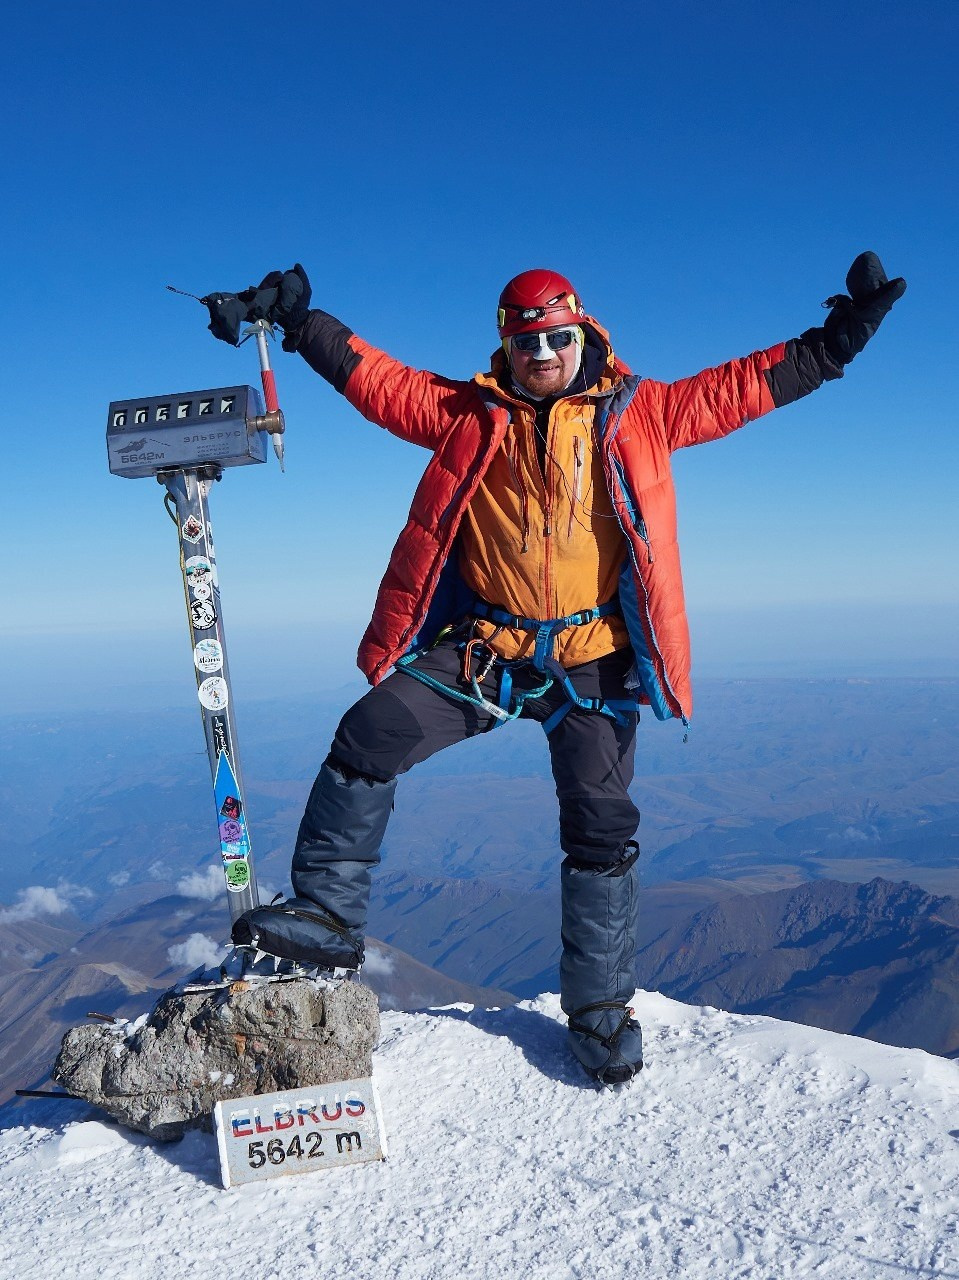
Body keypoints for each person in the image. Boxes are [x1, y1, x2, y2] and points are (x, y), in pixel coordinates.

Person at [204, 254, 905, 1085]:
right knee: (370, 734)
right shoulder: (466, 414)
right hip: (489, 648)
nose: (542, 354)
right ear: (505, 346)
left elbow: (741, 389)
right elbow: (377, 382)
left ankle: (600, 1011)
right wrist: (299, 323)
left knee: (600, 827)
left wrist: (834, 343)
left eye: (556, 338)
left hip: (592, 658)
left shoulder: (641, 411)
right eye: (526, 342)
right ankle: (327, 915)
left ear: (583, 335)